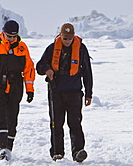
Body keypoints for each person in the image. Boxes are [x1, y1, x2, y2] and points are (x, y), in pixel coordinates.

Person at [0, 20, 35, 161]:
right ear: (3, 33)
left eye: (14, 36)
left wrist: (30, 89)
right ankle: (0, 149)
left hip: (15, 86)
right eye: (9, 36)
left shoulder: (22, 48)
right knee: (1, 118)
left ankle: (8, 148)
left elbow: (28, 69)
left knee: (12, 119)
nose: (11, 39)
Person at [36, 23, 93, 163]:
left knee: (75, 123)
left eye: (69, 38)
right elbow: (39, 66)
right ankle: (57, 152)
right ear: (60, 36)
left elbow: (87, 72)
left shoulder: (81, 49)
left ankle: (78, 151)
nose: (67, 41)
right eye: (65, 38)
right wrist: (47, 69)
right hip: (56, 92)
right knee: (56, 123)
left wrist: (89, 93)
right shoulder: (51, 48)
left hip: (74, 92)